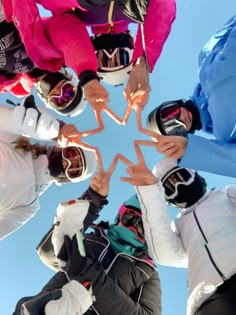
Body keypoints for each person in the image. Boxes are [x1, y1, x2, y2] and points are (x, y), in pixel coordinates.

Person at [13, 155, 162, 315]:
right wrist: (92, 199)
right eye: (130, 218)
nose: (134, 228)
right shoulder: (91, 240)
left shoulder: (146, 271)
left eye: (143, 228)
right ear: (119, 217)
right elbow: (48, 251)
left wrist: (89, 275)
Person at [2, 0, 176, 124]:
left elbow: (65, 29)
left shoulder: (41, 54)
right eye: (119, 57)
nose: (58, 91)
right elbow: (163, 7)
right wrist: (142, 63)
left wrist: (87, 74)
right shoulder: (43, 48)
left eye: (61, 97)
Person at [118, 145, 236, 315]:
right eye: (169, 187)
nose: (179, 186)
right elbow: (165, 253)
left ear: (194, 174)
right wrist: (150, 191)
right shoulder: (179, 226)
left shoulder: (225, 195)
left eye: (182, 177)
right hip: (209, 296)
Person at [140, 15, 236, 178]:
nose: (181, 119)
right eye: (174, 128)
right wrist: (190, 151)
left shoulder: (205, 62)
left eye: (170, 113)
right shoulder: (225, 138)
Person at [0, 95, 98, 241]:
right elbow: (20, 119)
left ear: (68, 179)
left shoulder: (29, 205)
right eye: (71, 154)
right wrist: (57, 129)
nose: (67, 162)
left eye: (74, 169)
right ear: (62, 147)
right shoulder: (16, 140)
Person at [0, 2, 87, 117]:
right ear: (70, 78)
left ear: (47, 100)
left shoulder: (11, 82)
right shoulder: (52, 50)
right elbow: (65, 33)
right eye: (68, 91)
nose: (59, 92)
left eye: (59, 101)